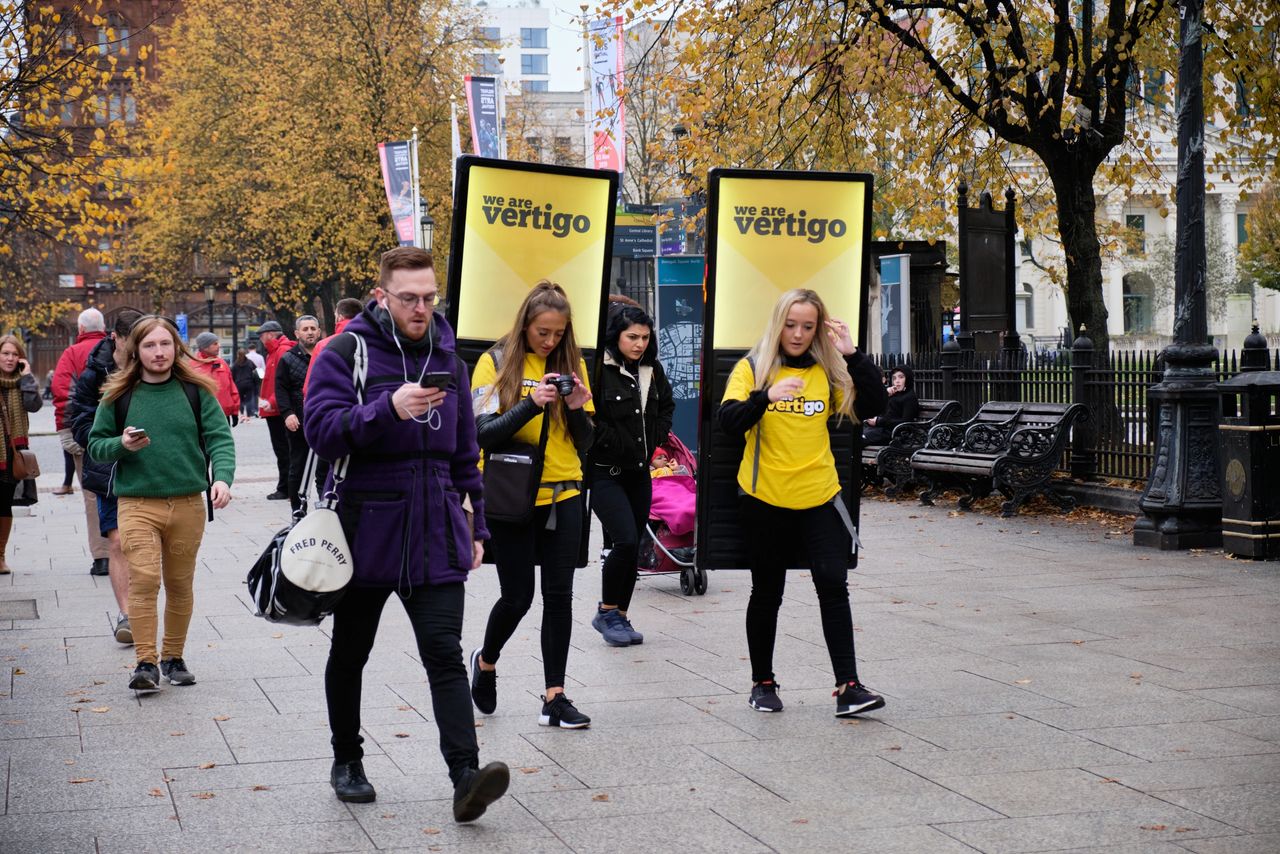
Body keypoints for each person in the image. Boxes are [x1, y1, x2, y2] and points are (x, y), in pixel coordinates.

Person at [305, 247, 510, 821]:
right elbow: (322, 432)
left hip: (437, 525)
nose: (421, 309)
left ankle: (466, 777)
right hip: (366, 525)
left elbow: (467, 451)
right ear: (381, 297)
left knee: (444, 654)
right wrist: (386, 409)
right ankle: (347, 760)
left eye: (429, 298)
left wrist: (478, 527)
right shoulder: (346, 350)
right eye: (409, 299)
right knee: (351, 652)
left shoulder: (449, 353)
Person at [718, 288, 888, 718]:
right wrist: (765, 397)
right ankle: (763, 683)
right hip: (765, 497)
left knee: (833, 585)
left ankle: (848, 686)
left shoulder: (827, 369)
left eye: (808, 326)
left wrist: (853, 356)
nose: (798, 334)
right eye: (791, 324)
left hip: (819, 496)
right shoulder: (752, 367)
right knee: (767, 592)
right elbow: (728, 422)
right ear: (779, 323)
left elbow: (873, 405)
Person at [469, 281, 595, 729]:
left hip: (566, 493)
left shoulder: (572, 364)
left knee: (559, 596)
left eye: (559, 333)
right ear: (525, 323)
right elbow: (482, 434)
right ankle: (485, 661)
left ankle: (554, 697)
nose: (551, 341)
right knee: (518, 597)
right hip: (513, 496)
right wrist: (530, 403)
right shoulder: (495, 361)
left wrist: (578, 408)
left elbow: (586, 443)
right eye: (543, 332)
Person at [88, 316, 235, 692]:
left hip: (187, 503)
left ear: (177, 347)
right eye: (150, 345)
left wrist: (221, 477)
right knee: (146, 578)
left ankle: (173, 657)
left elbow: (219, 438)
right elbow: (96, 446)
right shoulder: (118, 394)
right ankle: (145, 662)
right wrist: (122, 443)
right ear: (136, 349)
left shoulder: (196, 390)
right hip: (137, 502)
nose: (159, 352)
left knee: (179, 582)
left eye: (165, 344)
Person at [586, 304, 673, 647]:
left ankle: (621, 614)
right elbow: (587, 418)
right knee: (622, 539)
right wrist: (612, 442)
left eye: (645, 337)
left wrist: (657, 438)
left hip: (639, 474)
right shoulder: (599, 368)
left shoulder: (652, 370)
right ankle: (607, 612)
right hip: (605, 472)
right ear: (617, 336)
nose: (639, 344)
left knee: (634, 544)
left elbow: (666, 406)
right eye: (631, 337)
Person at [69, 309, 145, 644]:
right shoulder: (94, 372)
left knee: (145, 546)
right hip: (109, 468)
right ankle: (127, 615)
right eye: (133, 342)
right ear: (115, 337)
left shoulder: (153, 365)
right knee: (116, 541)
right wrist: (111, 442)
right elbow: (80, 421)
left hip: (150, 468)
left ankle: (145, 609)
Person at [52, 308, 111, 575]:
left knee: (91, 495)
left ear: (80, 329)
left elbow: (63, 392)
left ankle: (102, 557)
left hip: (83, 431)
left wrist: (66, 429)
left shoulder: (71, 354)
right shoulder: (114, 347)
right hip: (117, 431)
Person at [0, 335, 43, 574]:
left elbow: (34, 406)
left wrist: (27, 377)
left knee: (4, 504)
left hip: (11, 453)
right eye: (5, 353)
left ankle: (0, 556)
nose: (9, 358)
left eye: (14, 354)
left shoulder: (22, 382)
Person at [275, 315, 321, 511]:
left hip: (322, 420)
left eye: (313, 328)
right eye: (305, 329)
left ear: (319, 332)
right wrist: (287, 414)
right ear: (297, 333)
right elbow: (280, 388)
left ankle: (325, 510)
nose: (309, 332)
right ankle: (298, 510)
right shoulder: (287, 358)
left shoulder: (327, 353)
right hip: (298, 420)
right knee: (298, 467)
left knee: (324, 468)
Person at [255, 321, 295, 500]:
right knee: (284, 449)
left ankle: (286, 487)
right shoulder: (274, 352)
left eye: (262, 336)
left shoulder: (280, 352)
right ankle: (287, 486)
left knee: (283, 450)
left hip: (278, 409)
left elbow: (282, 382)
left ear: (270, 335)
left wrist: (271, 401)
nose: (261, 340)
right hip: (275, 407)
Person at [303, 298, 363, 396]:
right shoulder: (374, 341)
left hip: (335, 401)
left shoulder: (324, 344)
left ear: (340, 317)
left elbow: (311, 384)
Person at [191, 332, 241, 427]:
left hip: (224, 414)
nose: (219, 346)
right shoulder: (192, 366)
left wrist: (235, 411)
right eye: (215, 344)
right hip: (203, 415)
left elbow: (232, 388)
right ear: (205, 347)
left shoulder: (222, 363)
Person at [862, 366, 919, 445]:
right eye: (894, 378)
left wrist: (878, 421)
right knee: (853, 435)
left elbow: (906, 422)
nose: (897, 381)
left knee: (859, 439)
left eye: (901, 377)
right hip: (879, 429)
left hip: (894, 434)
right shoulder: (892, 394)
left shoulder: (910, 397)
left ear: (908, 379)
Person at [231, 349, 260, 420]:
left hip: (239, 384)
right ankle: (248, 416)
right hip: (249, 383)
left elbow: (232, 375)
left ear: (238, 354)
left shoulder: (235, 364)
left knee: (240, 400)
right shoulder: (250, 362)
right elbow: (255, 371)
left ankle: (241, 415)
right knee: (249, 400)